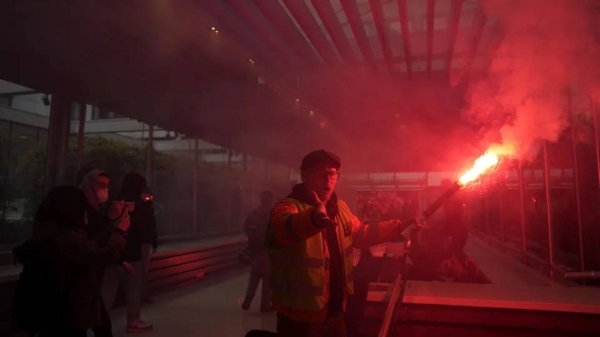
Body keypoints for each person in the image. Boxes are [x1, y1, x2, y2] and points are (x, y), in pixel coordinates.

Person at [266, 150, 419, 337]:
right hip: (299, 320)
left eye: (332, 173)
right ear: (304, 176)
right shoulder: (287, 207)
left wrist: (399, 226)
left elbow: (362, 234)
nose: (327, 178)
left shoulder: (341, 209)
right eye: (319, 173)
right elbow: (285, 229)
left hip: (335, 313)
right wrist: (313, 219)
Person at [12, 186, 129, 336]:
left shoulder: (45, 231)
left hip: (50, 306)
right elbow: (100, 256)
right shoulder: (66, 237)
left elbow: (88, 246)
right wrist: (119, 232)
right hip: (69, 307)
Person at [102, 172, 154, 333]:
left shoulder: (115, 201)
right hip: (131, 254)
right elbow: (143, 228)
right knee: (133, 288)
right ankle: (133, 320)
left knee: (107, 290)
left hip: (112, 252)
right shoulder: (140, 205)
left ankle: (98, 322)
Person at [78, 168, 124, 337]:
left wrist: (119, 260)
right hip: (82, 275)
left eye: (107, 186)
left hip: (92, 275)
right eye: (101, 185)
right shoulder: (81, 209)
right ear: (89, 184)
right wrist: (113, 223)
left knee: (99, 320)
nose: (105, 189)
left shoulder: (96, 209)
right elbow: (91, 240)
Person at [241, 190, 275, 312]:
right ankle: (265, 305)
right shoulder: (273, 214)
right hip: (268, 252)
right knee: (267, 280)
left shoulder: (254, 213)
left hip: (255, 251)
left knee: (254, 276)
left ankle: (248, 299)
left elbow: (246, 228)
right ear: (271, 200)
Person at [139, 186, 158, 304]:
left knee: (143, 270)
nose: (148, 197)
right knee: (141, 271)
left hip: (146, 242)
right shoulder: (139, 208)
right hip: (141, 242)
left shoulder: (149, 208)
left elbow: (152, 226)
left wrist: (154, 242)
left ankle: (142, 294)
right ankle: (140, 294)